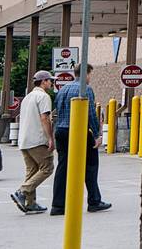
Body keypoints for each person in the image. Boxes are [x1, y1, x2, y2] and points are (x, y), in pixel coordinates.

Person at [50, 64, 110, 216]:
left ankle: (58, 205)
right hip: (78, 130)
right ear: (86, 74)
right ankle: (94, 201)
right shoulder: (86, 89)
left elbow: (57, 111)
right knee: (90, 164)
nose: (90, 78)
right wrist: (97, 134)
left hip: (61, 131)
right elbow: (90, 114)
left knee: (63, 167)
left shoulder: (63, 89)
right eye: (90, 75)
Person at [11, 71, 56, 214]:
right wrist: (50, 138)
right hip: (37, 139)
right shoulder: (43, 96)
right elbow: (44, 118)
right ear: (43, 82)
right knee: (47, 167)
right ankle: (22, 192)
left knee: (32, 171)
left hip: (24, 139)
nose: (51, 83)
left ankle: (30, 204)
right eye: (50, 81)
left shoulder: (28, 97)